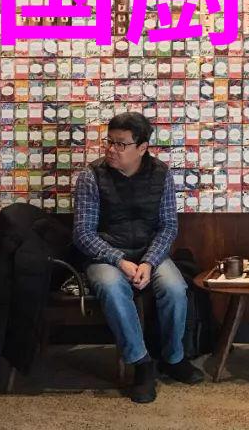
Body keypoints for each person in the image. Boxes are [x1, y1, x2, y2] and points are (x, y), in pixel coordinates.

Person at [73, 112, 203, 403]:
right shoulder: (91, 177)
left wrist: (148, 262)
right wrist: (119, 260)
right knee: (111, 287)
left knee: (175, 288)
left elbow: (168, 226)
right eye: (109, 142)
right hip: (105, 255)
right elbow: (83, 234)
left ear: (142, 147)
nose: (111, 149)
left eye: (121, 144)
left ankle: (174, 358)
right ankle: (141, 363)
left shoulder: (161, 174)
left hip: (149, 252)